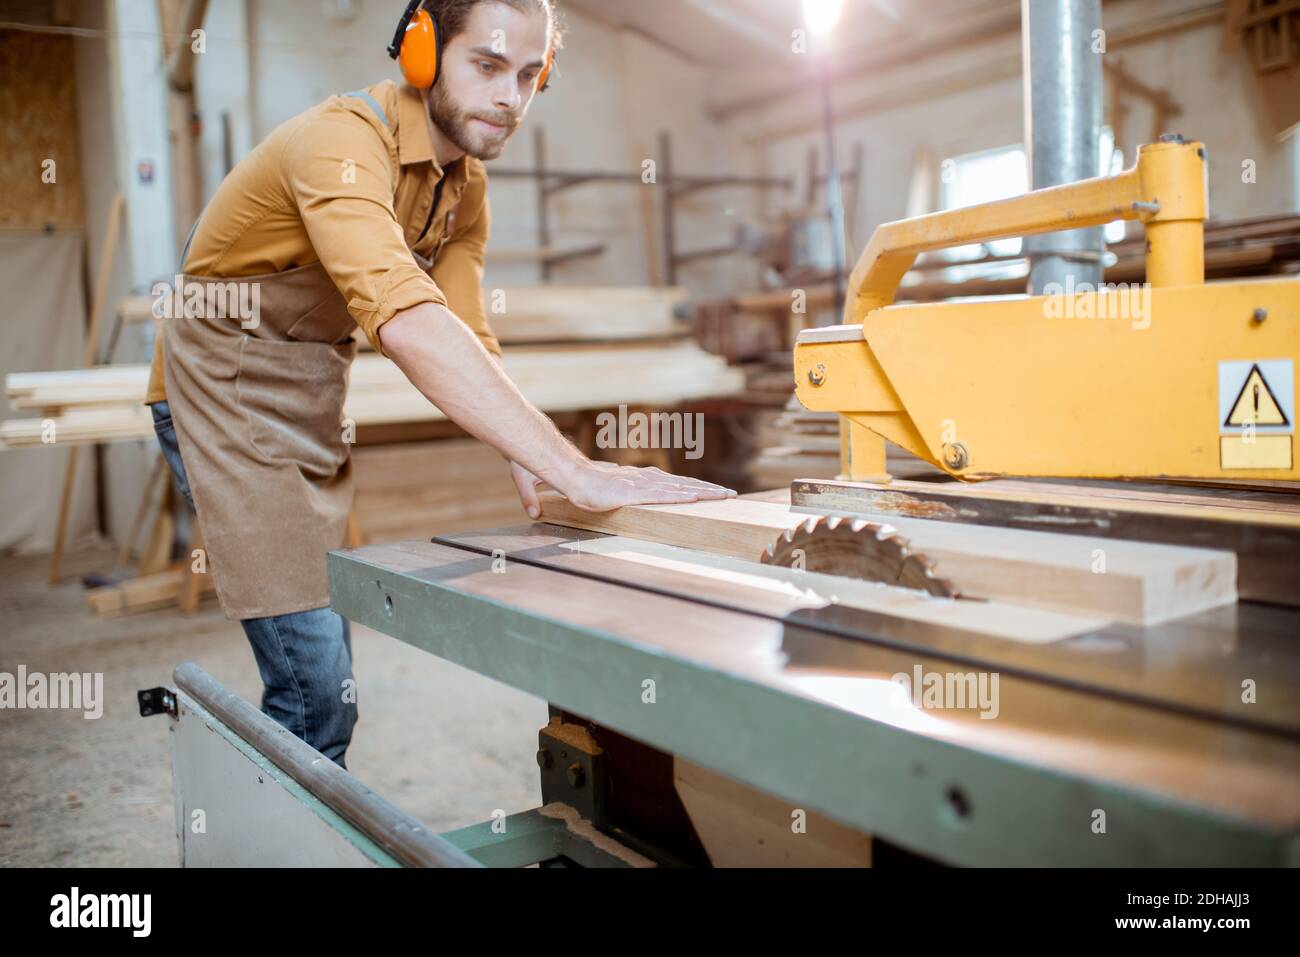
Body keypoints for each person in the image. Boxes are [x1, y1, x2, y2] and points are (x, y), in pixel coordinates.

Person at [146, 0, 734, 767]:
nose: (509, 97)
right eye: (487, 66)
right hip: (218, 392)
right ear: (421, 54)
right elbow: (408, 320)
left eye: (529, 75)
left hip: (303, 394)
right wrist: (573, 466)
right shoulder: (341, 144)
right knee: (315, 687)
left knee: (320, 640)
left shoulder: (465, 189)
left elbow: (465, 330)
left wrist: (529, 464)